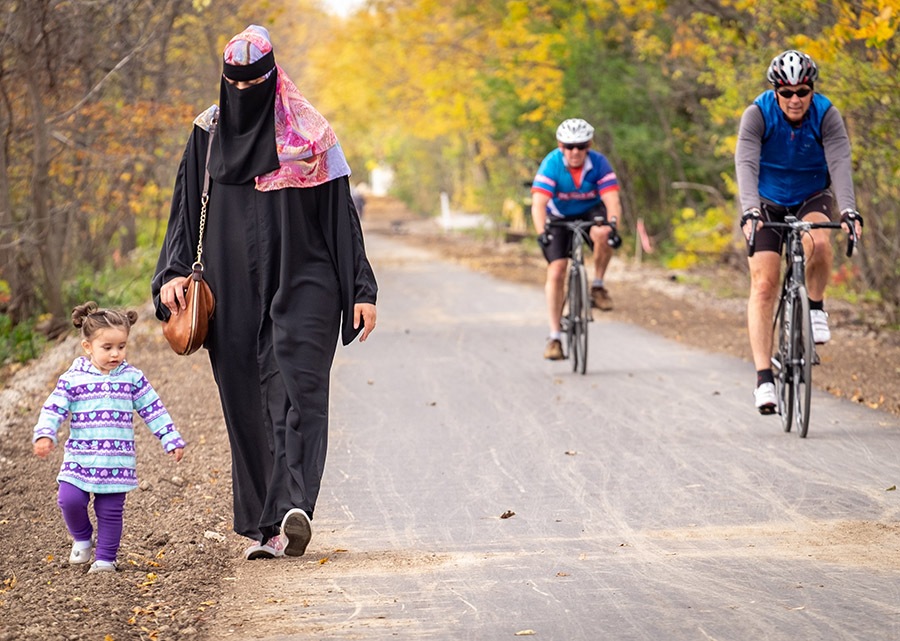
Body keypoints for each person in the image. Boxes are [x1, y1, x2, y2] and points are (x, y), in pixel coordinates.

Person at [152, 25, 377, 560]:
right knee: (248, 400)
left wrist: (361, 288)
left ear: (273, 76)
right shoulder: (208, 133)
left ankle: (295, 506)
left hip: (307, 280)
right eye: (234, 83)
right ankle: (268, 528)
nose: (243, 92)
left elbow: (341, 217)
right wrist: (172, 274)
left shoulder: (311, 136)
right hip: (229, 289)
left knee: (298, 385)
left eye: (253, 82)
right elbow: (186, 209)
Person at [735, 50, 863, 414]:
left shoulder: (826, 114)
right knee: (764, 285)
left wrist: (848, 209)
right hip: (766, 200)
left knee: (819, 242)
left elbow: (840, 161)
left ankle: (816, 307)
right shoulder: (758, 114)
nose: (795, 99)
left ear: (812, 90)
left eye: (803, 91)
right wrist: (750, 210)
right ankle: (764, 379)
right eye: (787, 92)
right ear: (775, 90)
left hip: (811, 194)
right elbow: (746, 162)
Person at [32, 302, 185, 574]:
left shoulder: (132, 378)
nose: (116, 353)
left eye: (121, 346)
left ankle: (105, 559)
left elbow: (153, 409)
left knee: (110, 511)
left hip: (116, 461)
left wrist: (169, 437)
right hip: (79, 458)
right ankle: (82, 537)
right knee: (69, 499)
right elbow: (54, 407)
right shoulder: (73, 378)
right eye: (107, 347)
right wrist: (45, 433)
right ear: (88, 346)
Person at [531, 118, 623, 360]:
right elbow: (538, 204)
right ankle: (554, 337)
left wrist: (613, 226)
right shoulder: (551, 163)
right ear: (560, 146)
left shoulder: (599, 163)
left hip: (591, 211)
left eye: (581, 146)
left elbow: (612, 200)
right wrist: (542, 233)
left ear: (589, 145)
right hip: (558, 216)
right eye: (569, 146)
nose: (575, 152)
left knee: (603, 233)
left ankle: (598, 286)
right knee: (557, 270)